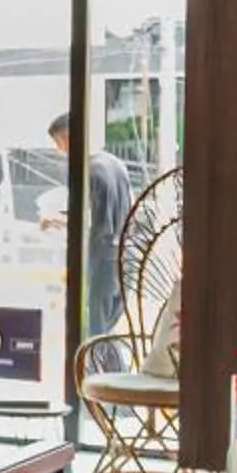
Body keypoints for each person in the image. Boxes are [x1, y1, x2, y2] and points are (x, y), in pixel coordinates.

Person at [45, 112, 135, 347]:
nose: (60, 150)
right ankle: (112, 369)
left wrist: (55, 220)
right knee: (106, 333)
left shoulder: (89, 171)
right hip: (126, 258)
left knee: (95, 335)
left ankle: (94, 371)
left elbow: (91, 223)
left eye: (59, 143)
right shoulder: (116, 164)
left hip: (103, 261)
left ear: (67, 138)